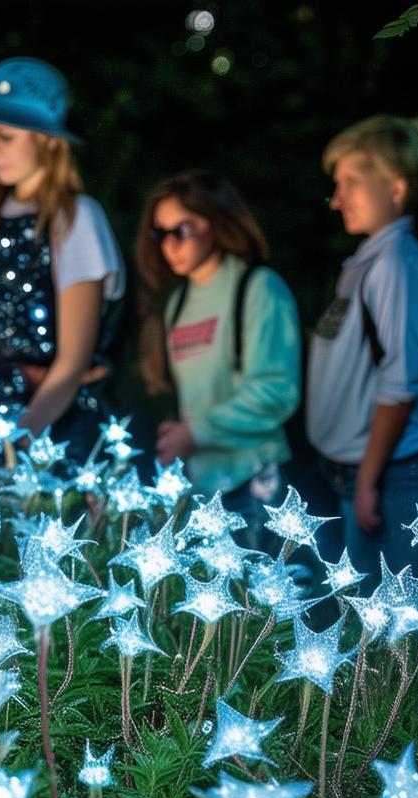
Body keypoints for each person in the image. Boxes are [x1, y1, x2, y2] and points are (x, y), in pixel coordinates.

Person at [0, 57, 125, 467]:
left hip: (59, 431)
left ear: (47, 140)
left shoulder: (76, 217)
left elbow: (73, 360)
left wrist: (22, 447)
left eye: (4, 136)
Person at [307, 115, 418, 578]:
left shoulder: (396, 264)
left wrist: (369, 479)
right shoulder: (367, 262)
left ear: (396, 188)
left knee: (395, 630)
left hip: (396, 473)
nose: (336, 198)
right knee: (368, 624)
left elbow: (402, 380)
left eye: (350, 181)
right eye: (335, 183)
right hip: (362, 472)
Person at [135, 171, 300, 543]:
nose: (169, 245)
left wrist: (194, 432)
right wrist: (178, 434)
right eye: (160, 234)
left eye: (181, 230)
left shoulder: (257, 287)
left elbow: (277, 391)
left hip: (256, 484)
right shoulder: (177, 304)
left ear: (216, 221)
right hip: (201, 491)